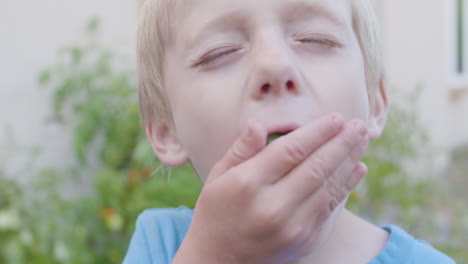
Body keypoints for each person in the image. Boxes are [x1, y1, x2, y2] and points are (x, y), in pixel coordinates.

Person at [124, 0, 455, 263]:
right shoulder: (160, 245)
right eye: (219, 52)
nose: (275, 64)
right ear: (167, 131)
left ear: (374, 102)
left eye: (316, 39)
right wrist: (215, 255)